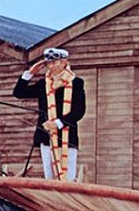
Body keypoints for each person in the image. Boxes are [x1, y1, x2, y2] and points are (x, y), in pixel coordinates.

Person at [13, 48, 86, 181]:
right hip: (46, 136)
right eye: (49, 63)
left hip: (67, 137)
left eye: (55, 62)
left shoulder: (76, 83)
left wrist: (58, 123)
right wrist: (30, 73)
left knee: (68, 177)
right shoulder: (43, 84)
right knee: (49, 176)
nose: (51, 66)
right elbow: (19, 92)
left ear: (64, 62)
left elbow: (79, 111)